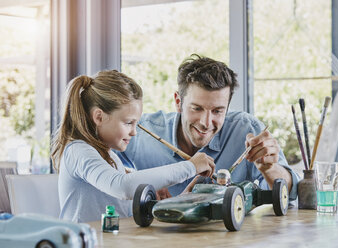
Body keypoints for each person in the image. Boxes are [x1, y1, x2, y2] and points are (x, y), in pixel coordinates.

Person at [116, 54, 299, 201]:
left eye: (218, 111)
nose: (206, 122)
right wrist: (141, 185)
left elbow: (292, 194)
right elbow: (98, 165)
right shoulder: (143, 131)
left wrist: (270, 169)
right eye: (197, 108)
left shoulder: (246, 130)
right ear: (178, 102)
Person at [51, 70, 215, 223]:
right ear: (99, 117)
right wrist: (190, 166)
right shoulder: (78, 151)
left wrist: (167, 200)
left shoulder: (111, 158)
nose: (134, 132)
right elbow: (123, 186)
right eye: (129, 123)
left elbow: (123, 213)